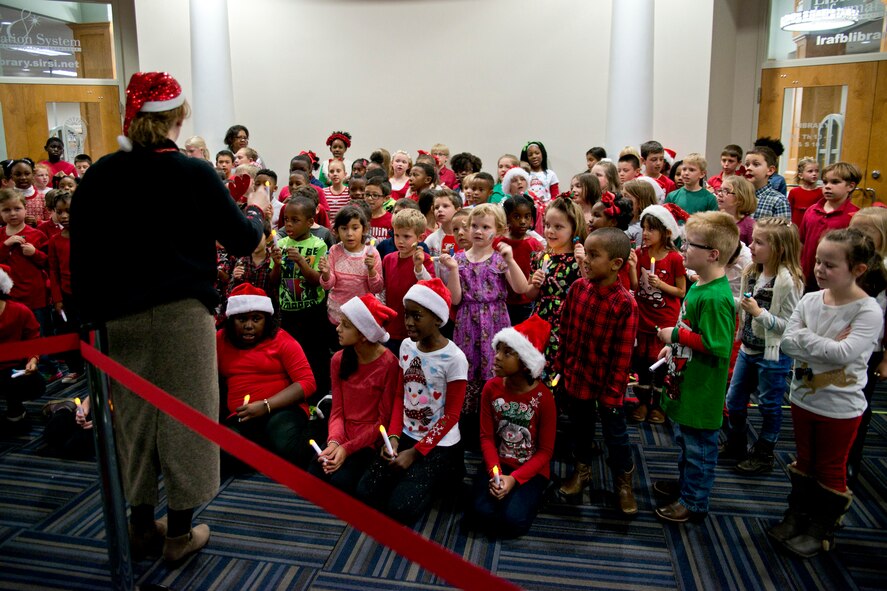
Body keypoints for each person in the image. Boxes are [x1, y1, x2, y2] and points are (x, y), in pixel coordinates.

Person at [70, 72, 269, 564]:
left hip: (119, 317)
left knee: (134, 419)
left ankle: (140, 526)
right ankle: (179, 532)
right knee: (188, 417)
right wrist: (259, 212)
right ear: (177, 117)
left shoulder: (99, 175)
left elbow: (82, 257)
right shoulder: (193, 173)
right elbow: (242, 239)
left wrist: (89, 323)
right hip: (182, 314)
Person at [772, 228, 884, 557]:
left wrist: (812, 342)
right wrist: (826, 345)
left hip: (840, 407)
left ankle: (822, 526)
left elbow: (843, 355)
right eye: (818, 261)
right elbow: (789, 343)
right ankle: (797, 515)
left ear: (858, 269)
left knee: (830, 467)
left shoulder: (868, 311)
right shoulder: (809, 299)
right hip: (804, 397)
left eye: (830, 265)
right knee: (805, 461)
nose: (819, 269)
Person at [356, 279, 468, 525]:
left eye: (417, 316)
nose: (408, 322)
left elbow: (451, 417)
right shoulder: (406, 346)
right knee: (365, 492)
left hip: (438, 444)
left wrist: (414, 455)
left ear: (437, 319)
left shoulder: (455, 358)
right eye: (407, 315)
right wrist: (394, 437)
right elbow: (400, 394)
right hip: (407, 434)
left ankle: (443, 477)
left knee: (400, 509)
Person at [654, 211, 739, 523]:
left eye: (690, 245)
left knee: (700, 450)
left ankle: (694, 501)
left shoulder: (716, 297)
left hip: (703, 391)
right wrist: (673, 345)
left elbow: (718, 345)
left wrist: (675, 335)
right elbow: (692, 327)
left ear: (713, 254)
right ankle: (685, 488)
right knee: (686, 444)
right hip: (687, 381)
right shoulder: (700, 284)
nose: (683, 249)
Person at [554, 228, 639, 514]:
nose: (586, 260)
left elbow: (623, 355)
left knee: (616, 436)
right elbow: (564, 331)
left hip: (607, 386)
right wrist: (560, 367)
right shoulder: (578, 288)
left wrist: (613, 393)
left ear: (616, 264)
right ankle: (582, 471)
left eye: (593, 255)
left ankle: (623, 483)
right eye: (585, 253)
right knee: (581, 428)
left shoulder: (625, 303)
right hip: (577, 376)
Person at [440, 204, 530, 448]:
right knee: (468, 372)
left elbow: (521, 288)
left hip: (495, 320)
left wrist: (511, 260)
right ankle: (468, 431)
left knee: (494, 369)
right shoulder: (459, 258)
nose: (478, 231)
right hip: (467, 323)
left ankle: (494, 428)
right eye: (474, 226)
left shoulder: (500, 259)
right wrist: (453, 271)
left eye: (485, 227)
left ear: (498, 230)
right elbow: (455, 299)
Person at [722, 218, 804, 474]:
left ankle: (764, 451)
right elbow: (745, 303)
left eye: (759, 242)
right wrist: (725, 300)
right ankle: (736, 442)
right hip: (748, 348)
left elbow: (788, 326)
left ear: (779, 248)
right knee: (734, 400)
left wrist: (758, 313)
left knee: (769, 404)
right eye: (753, 240)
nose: (751, 246)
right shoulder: (753, 272)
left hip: (773, 354)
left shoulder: (789, 282)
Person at [468, 315, 556, 537]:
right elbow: (486, 438)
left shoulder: (544, 398)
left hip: (530, 469)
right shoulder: (490, 388)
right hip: (497, 464)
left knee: (512, 522)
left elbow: (545, 452)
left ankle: (533, 495)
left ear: (526, 362)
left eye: (507, 353)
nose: (496, 357)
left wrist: (514, 479)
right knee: (477, 515)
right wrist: (496, 472)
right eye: (498, 350)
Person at [217, 284, 316, 472]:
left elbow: (307, 382)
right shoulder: (221, 340)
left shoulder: (280, 338)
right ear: (231, 320)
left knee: (286, 446)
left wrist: (266, 405)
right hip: (242, 416)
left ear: (266, 320)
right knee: (224, 454)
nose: (248, 325)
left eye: (256, 319)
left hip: (281, 409)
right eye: (241, 319)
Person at [310, 295, 400, 494]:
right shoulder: (339, 359)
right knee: (315, 475)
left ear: (364, 334)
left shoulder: (389, 364)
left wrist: (347, 449)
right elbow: (337, 410)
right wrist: (334, 442)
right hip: (341, 432)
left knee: (341, 485)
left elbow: (382, 421)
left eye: (346, 325)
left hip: (368, 441)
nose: (338, 329)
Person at [628, 204, 686, 424]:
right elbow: (635, 287)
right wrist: (633, 267)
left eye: (651, 229)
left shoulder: (674, 258)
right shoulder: (640, 253)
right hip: (644, 318)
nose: (645, 233)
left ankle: (659, 405)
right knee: (642, 364)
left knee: (661, 366)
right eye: (644, 228)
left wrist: (661, 284)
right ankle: (643, 402)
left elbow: (681, 291)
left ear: (666, 232)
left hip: (665, 321)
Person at [270, 196, 330, 403]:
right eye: (286, 219)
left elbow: (317, 281)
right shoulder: (281, 243)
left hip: (312, 312)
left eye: (295, 220)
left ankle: (317, 399)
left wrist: (302, 262)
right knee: (291, 358)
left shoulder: (318, 245)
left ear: (310, 221)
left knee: (314, 356)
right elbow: (273, 281)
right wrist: (277, 264)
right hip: (288, 312)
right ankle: (294, 398)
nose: (288, 224)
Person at [525, 196, 588, 379]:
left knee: (562, 369)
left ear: (573, 229)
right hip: (542, 322)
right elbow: (530, 295)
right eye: (547, 225)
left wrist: (583, 263)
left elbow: (589, 290)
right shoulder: (539, 257)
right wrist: (535, 284)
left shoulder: (580, 258)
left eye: (558, 227)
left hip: (567, 323)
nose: (550, 231)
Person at [846, 207, 887, 485]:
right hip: (842, 344)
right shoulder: (846, 261)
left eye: (866, 232)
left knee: (860, 404)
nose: (858, 236)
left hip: (871, 351)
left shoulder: (883, 270)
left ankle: (852, 460)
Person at [798, 162, 861, 293]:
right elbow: (801, 243)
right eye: (825, 182)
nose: (827, 187)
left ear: (850, 186)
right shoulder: (812, 211)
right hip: (806, 277)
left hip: (834, 282)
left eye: (835, 182)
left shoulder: (855, 216)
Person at [318, 205, 383, 324]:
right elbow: (328, 285)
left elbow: (377, 288)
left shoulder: (372, 253)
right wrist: (326, 273)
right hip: (337, 315)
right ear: (336, 231)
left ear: (364, 229)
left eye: (355, 228)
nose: (349, 233)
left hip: (362, 316)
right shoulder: (334, 250)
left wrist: (371, 270)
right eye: (344, 228)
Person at [0, 265, 45, 431]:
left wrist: (33, 360)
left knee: (30, 383)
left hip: (14, 370)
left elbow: (34, 339)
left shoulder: (20, 311)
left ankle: (15, 411)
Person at [47, 191, 84, 383]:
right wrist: (58, 299)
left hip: (87, 294)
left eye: (68, 211)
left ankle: (97, 367)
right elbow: (53, 271)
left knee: (90, 332)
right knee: (69, 332)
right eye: (59, 212)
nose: (64, 216)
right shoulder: (54, 240)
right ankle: (76, 368)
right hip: (67, 296)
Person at [499, 195, 543, 325]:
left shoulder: (534, 244)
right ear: (507, 218)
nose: (523, 221)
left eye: (527, 216)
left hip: (526, 301)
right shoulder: (499, 243)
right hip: (504, 301)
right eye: (517, 216)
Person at [744, 146, 790, 220]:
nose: (749, 168)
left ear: (770, 170)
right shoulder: (739, 196)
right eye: (747, 164)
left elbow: (782, 231)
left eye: (756, 164)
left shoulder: (779, 201)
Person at [716, 176, 757, 246]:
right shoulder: (715, 219)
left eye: (726, 191)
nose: (719, 194)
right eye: (720, 190)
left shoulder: (750, 226)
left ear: (740, 198)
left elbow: (753, 253)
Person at [621, 179, 658, 249]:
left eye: (626, 196)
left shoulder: (641, 228)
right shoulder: (622, 219)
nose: (622, 200)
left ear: (640, 202)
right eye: (622, 195)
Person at [788, 158, 822, 228]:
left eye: (817, 171)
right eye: (810, 171)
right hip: (797, 226)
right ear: (800, 175)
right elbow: (789, 210)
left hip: (813, 226)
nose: (814, 174)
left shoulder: (821, 192)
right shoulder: (794, 192)